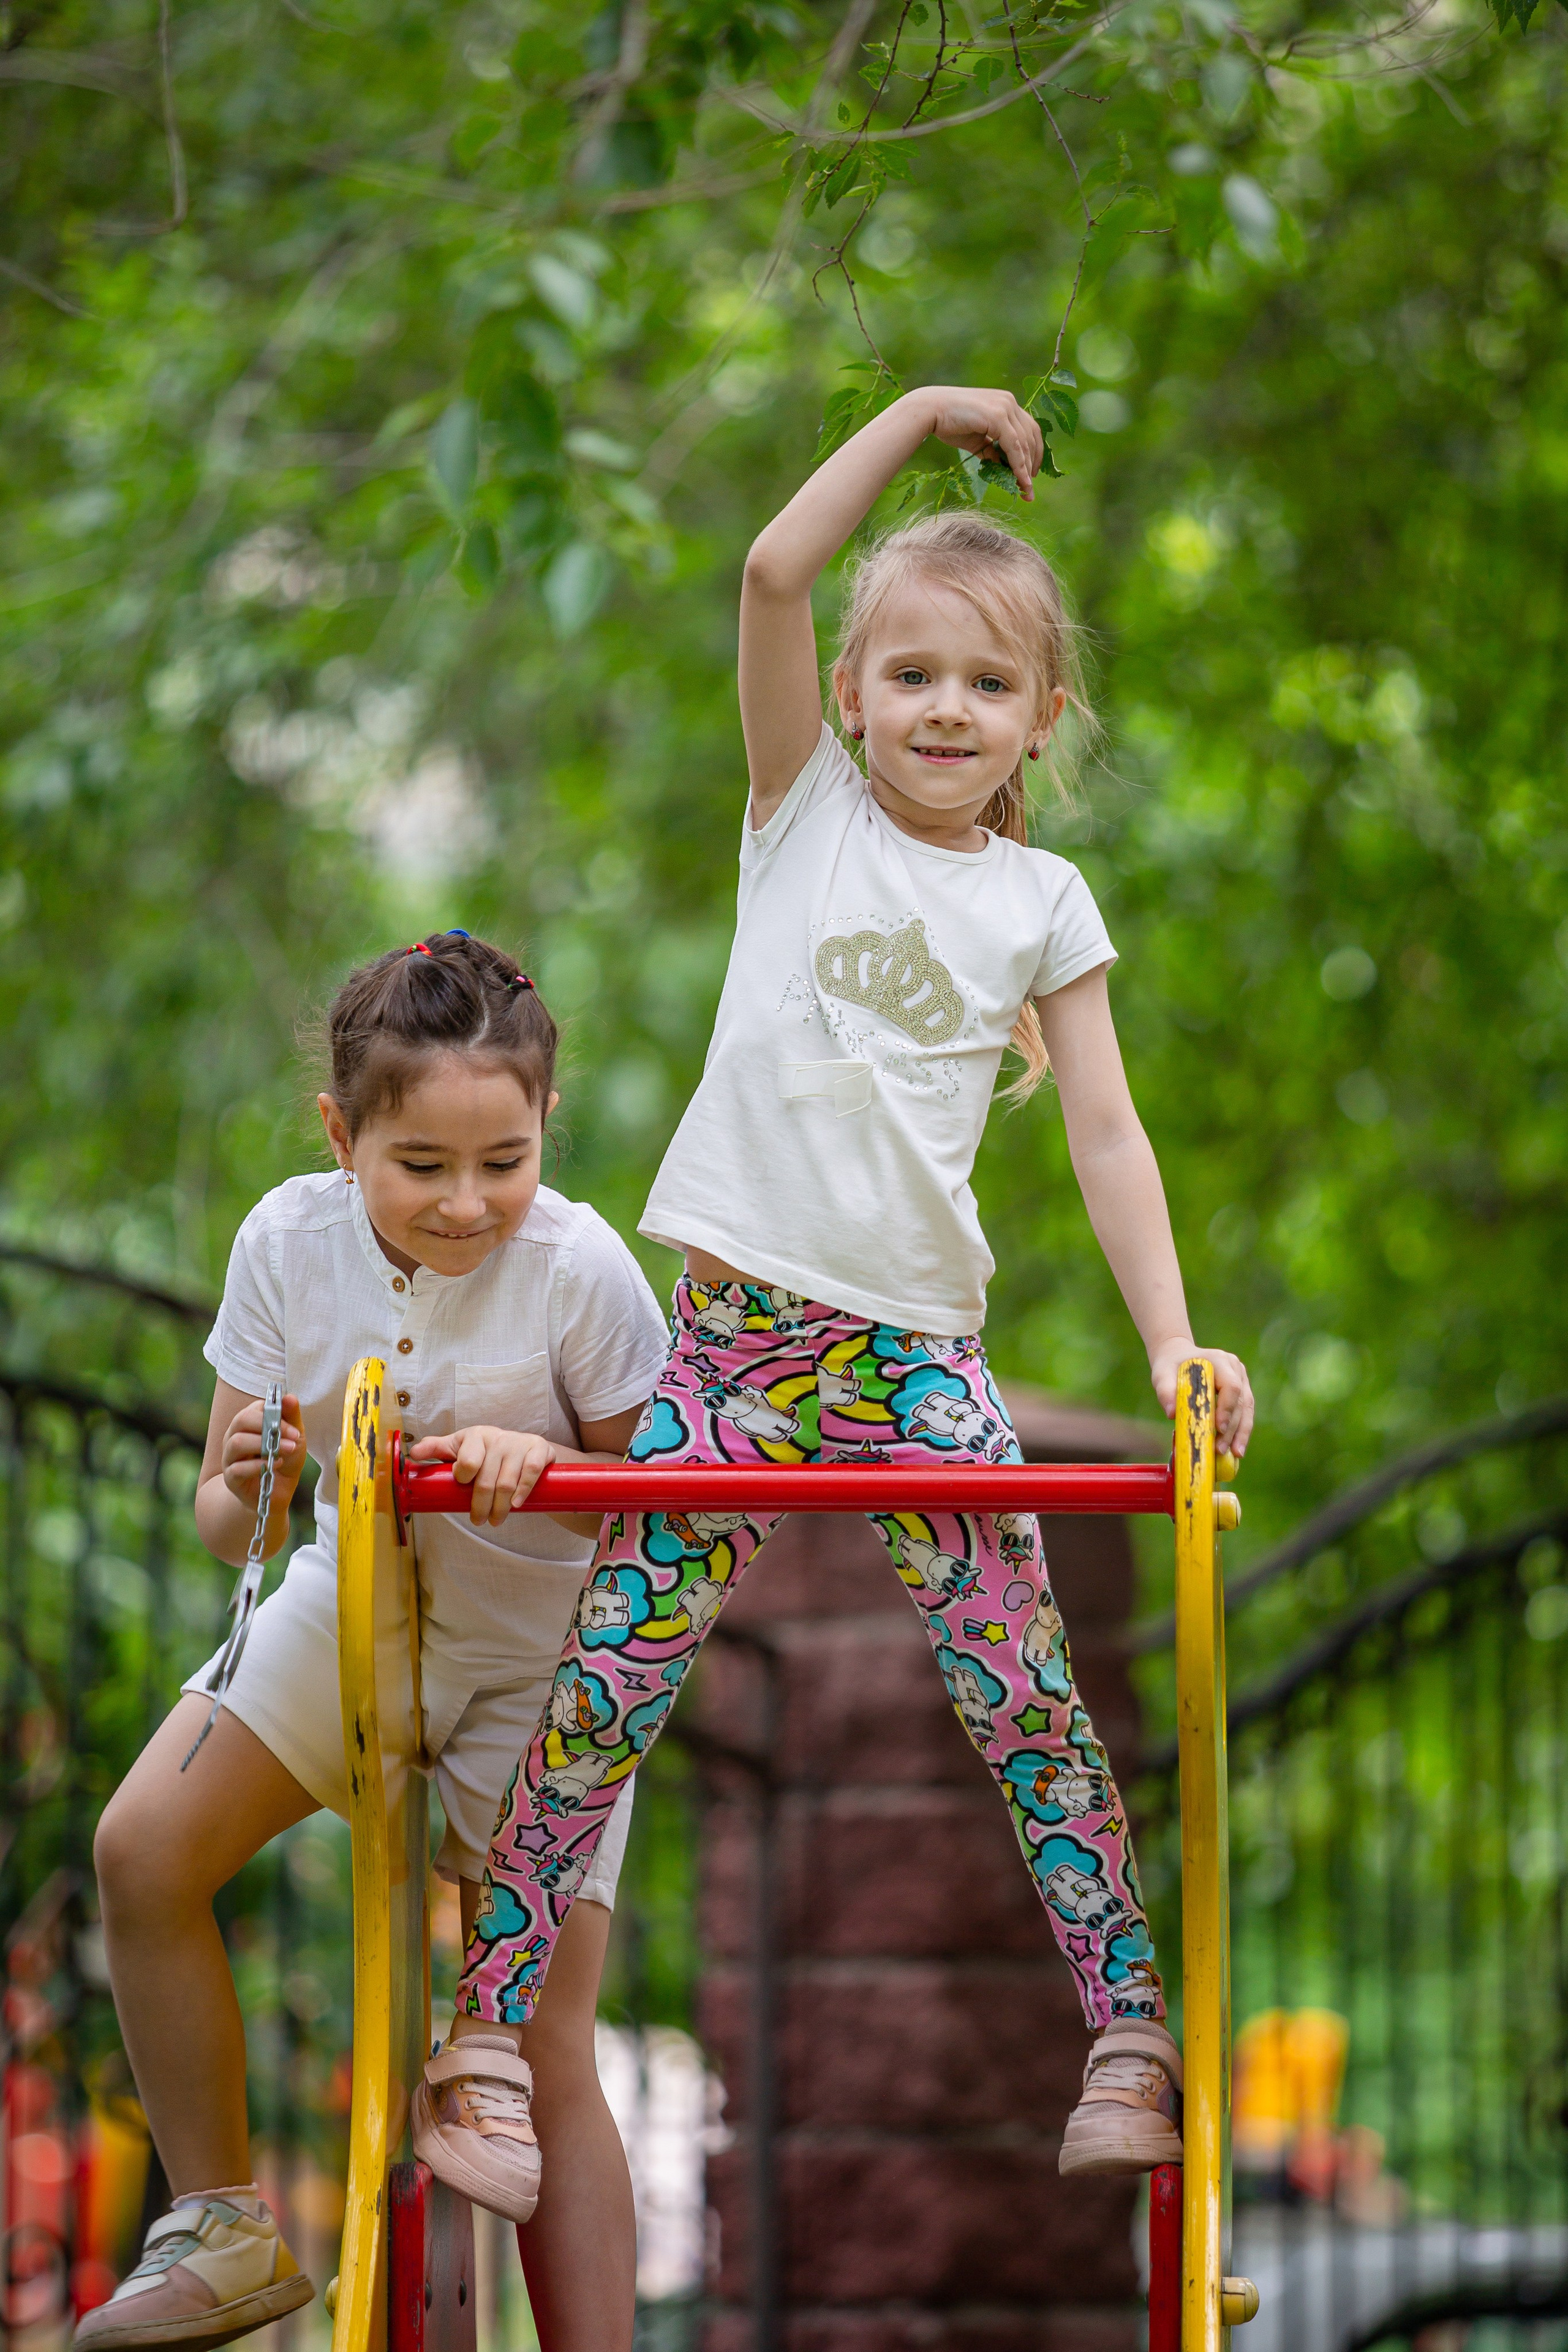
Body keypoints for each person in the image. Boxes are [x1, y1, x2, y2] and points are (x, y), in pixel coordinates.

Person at [412, 386, 1256, 2215]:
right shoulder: (797, 817)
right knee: (606, 1693)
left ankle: (1126, 2033)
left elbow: (1106, 1132)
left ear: (1043, 715)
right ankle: (483, 2041)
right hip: (731, 1353)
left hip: (915, 1364)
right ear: (857, 697)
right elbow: (777, 566)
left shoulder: (1041, 897)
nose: (946, 709)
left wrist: (1173, 1339)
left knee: (1021, 1686)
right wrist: (928, 416)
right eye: (915, 676)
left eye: (987, 684)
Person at [78, 932, 669, 2352]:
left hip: (541, 1668)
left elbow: (666, 1529)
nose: (467, 1203)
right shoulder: (286, 1242)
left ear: (544, 1128)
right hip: (349, 1618)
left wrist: (540, 1457)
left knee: (535, 2039)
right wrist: (256, 1478)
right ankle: (220, 2224)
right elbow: (232, 1523)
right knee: (140, 1852)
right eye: (421, 1166)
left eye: (503, 1161)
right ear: (343, 1134)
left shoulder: (577, 1267)